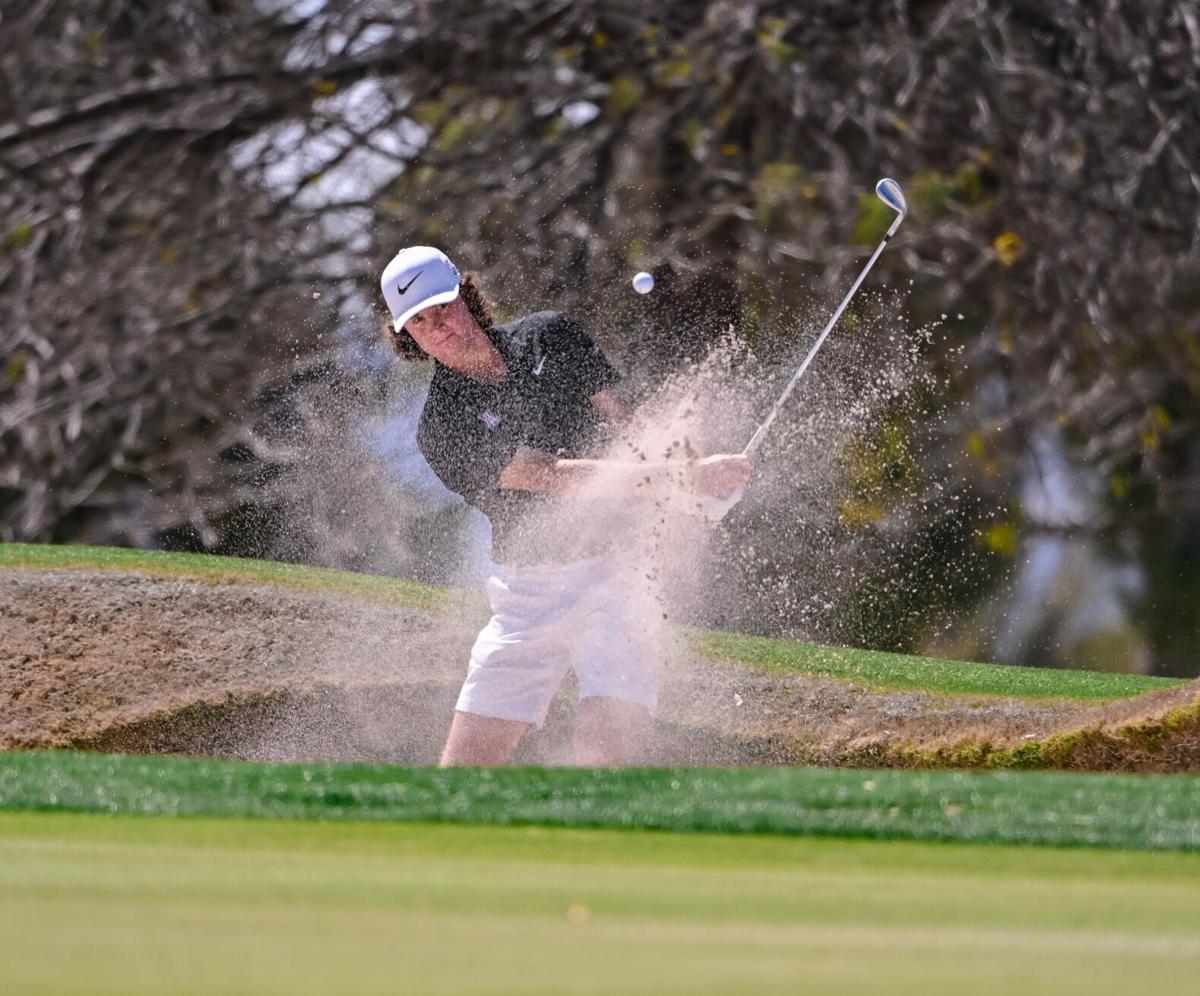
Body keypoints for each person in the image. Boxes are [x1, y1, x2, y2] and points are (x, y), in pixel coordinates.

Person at [380, 246, 751, 766]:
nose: (436, 325)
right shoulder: (441, 426)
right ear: (406, 337)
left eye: (441, 306)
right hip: (530, 596)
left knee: (604, 756)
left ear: (465, 295)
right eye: (418, 321)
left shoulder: (551, 334)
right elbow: (552, 478)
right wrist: (682, 478)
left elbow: (630, 424)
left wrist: (695, 475)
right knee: (464, 770)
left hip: (625, 574)